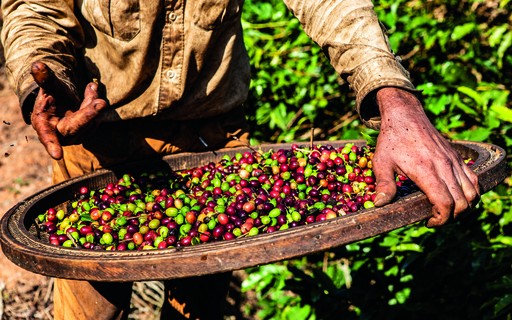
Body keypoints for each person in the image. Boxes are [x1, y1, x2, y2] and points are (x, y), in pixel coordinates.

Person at [1, 0, 480, 319]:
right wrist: (43, 73)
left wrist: (393, 97)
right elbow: (35, 8)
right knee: (89, 309)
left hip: (212, 145)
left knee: (200, 308)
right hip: (97, 137)